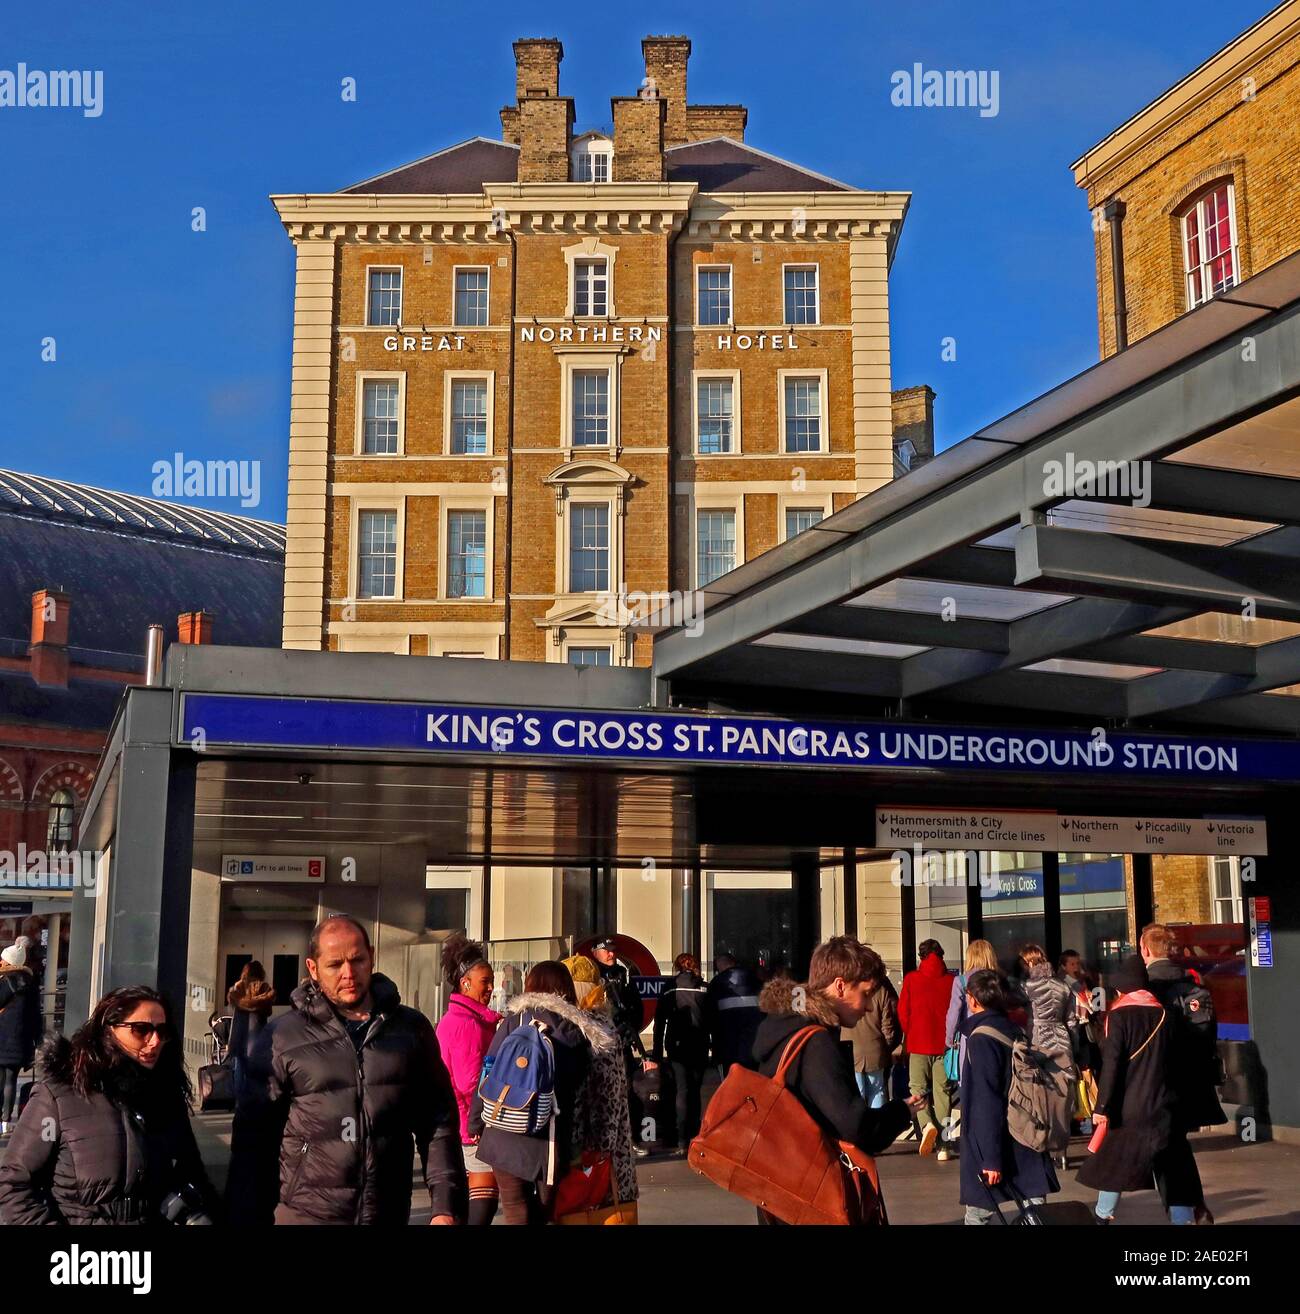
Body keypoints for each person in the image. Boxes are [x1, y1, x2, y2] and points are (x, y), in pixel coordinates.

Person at [227, 914, 465, 1225]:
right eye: (335, 964)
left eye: (357, 960)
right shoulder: (282, 1037)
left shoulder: (411, 1029)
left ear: (372, 956)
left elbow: (438, 1123)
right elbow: (253, 1141)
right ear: (313, 968)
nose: (348, 973)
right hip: (305, 1214)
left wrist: (445, 1207)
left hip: (386, 1213)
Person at [0, 985, 219, 1225]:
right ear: (108, 1030)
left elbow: (194, 1175)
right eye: (141, 1029)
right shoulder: (59, 1095)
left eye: (161, 1031)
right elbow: (13, 1185)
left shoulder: (166, 1097)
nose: (154, 1041)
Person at [749, 937, 920, 1224]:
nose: (867, 1007)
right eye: (865, 994)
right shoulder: (816, 1042)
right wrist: (900, 1111)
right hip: (812, 1191)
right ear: (840, 985)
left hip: (777, 1185)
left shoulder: (782, 1027)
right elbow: (854, 1125)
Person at [471, 960, 595, 1224]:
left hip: (503, 1129)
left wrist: (476, 1120)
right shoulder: (575, 1032)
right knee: (542, 1213)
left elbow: (488, 1071)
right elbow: (579, 1087)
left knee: (515, 1208)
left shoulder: (513, 1022)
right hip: (548, 1139)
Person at [1076, 954, 1195, 1223]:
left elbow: (1112, 1063)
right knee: (1173, 1167)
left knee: (1116, 1162)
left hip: (1128, 1106)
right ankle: (1183, 1220)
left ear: (1121, 988)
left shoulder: (1119, 1017)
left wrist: (1102, 1106)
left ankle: (1103, 1215)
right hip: (1164, 1105)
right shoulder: (1167, 1014)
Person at [958, 969, 1060, 1224]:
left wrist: (989, 1158)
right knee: (1033, 1210)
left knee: (978, 1214)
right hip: (1026, 1131)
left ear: (972, 999)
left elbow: (985, 1101)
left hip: (994, 1140)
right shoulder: (1015, 1031)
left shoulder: (981, 1039)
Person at [1141, 923, 1225, 1225]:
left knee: (1165, 1148)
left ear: (1145, 950)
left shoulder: (1143, 993)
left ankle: (1182, 1213)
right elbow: (1207, 1036)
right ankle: (1193, 1206)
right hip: (1192, 1083)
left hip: (1155, 1084)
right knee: (1176, 1143)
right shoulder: (1196, 989)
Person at [563, 953, 640, 1211]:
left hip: (599, 1164)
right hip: (599, 1157)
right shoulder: (593, 1024)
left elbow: (607, 1099)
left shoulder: (594, 1030)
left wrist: (595, 1157)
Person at [435, 933, 502, 1226]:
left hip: (465, 1128)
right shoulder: (467, 1026)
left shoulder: (465, 1020)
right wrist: (475, 1126)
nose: (490, 987)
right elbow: (470, 1085)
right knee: (481, 1211)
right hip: (473, 1131)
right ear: (465, 984)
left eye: (491, 981)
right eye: (484, 981)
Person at [590, 936, 656, 1156]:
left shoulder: (621, 975)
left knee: (625, 1090)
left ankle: (628, 1138)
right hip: (599, 1042)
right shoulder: (591, 976)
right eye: (606, 950)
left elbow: (633, 1008)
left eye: (613, 950)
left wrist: (631, 1032)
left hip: (622, 1041)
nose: (611, 954)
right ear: (595, 953)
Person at [898, 938, 955, 1157]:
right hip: (945, 1045)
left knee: (917, 1088)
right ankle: (946, 1144)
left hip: (918, 1043)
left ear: (921, 957)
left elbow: (903, 1013)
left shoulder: (912, 979)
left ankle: (927, 1125)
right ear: (940, 955)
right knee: (944, 1095)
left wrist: (910, 1032)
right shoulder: (951, 980)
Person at [653, 952, 710, 1149]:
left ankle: (682, 1137)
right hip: (700, 1045)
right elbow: (714, 1021)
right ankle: (695, 1133)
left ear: (677, 967)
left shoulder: (670, 988)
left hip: (677, 1045)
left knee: (682, 1090)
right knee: (695, 1090)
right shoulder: (705, 988)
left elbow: (659, 1022)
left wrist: (657, 1054)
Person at [844, 965, 900, 1110]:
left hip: (850, 1050)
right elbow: (888, 1027)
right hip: (875, 1050)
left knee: (857, 1094)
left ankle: (860, 1130)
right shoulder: (881, 991)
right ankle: (878, 1129)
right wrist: (886, 1047)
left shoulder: (846, 989)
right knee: (878, 1091)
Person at [0, 943, 41, 1134]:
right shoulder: (30, 984)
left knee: (1, 1081)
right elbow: (36, 1016)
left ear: (9, 961)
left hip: (2, 1037)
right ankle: (6, 1121)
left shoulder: (5, 981)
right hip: (20, 1040)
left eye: (3, 959)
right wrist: (37, 1041)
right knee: (11, 1079)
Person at [706, 953, 762, 1077]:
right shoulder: (754, 979)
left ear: (720, 965)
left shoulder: (717, 983)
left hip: (727, 1048)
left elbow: (709, 1017)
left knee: (731, 1085)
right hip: (753, 1046)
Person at [225, 960, 275, 1099]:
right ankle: (255, 1098)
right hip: (257, 1032)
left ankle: (239, 1100)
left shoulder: (238, 987)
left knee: (240, 1067)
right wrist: (257, 1005)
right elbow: (268, 1011)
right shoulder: (264, 988)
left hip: (239, 1033)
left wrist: (242, 1005)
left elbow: (231, 1005)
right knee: (257, 1068)